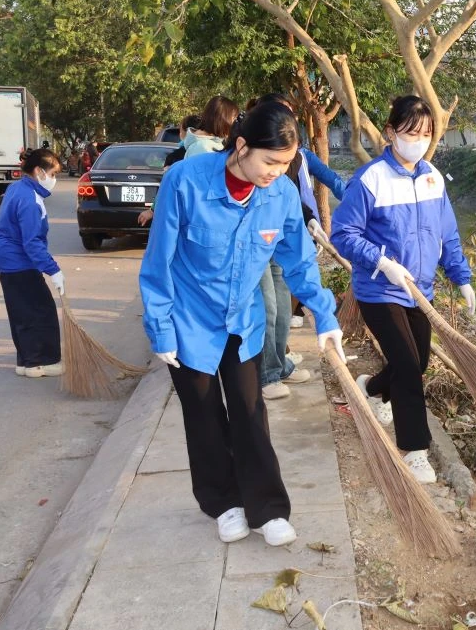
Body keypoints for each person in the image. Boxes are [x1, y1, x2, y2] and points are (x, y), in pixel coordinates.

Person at [138, 102, 344, 547]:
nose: (276, 172)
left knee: (251, 412)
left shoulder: (281, 194)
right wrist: (160, 327)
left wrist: (324, 314)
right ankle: (223, 503)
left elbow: (299, 261)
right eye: (270, 162)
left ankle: (267, 507)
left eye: (286, 164)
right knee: (204, 415)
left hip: (242, 319)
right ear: (242, 145)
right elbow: (159, 262)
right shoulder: (185, 182)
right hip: (189, 318)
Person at [330, 95, 474, 484]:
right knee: (410, 369)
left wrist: (461, 277)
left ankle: (372, 389)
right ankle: (415, 449)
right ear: (391, 133)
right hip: (379, 290)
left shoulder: (432, 178)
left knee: (418, 360)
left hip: (419, 289)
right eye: (411, 132)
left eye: (426, 134)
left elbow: (447, 234)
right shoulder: (370, 179)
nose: (419, 140)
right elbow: (342, 233)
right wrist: (381, 262)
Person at [251, 93, 347, 399]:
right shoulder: (199, 181)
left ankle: (278, 366)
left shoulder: (294, 162)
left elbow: (304, 191)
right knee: (266, 306)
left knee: (280, 306)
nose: (278, 170)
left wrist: (324, 315)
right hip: (254, 254)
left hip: (282, 238)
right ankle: (266, 373)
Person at [0, 148, 66, 378]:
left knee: (21, 312)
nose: (54, 179)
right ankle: (41, 362)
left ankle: (25, 361)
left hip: (7, 260)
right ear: (38, 171)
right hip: (19, 262)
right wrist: (53, 270)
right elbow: (32, 242)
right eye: (52, 174)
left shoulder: (17, 187)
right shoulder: (30, 200)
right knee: (41, 312)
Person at [137, 113, 204, 228]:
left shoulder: (175, 157)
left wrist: (153, 210)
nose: (179, 133)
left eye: (180, 130)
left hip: (178, 214)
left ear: (187, 132)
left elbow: (167, 187)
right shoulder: (216, 149)